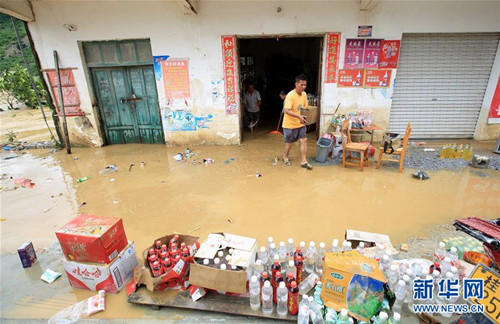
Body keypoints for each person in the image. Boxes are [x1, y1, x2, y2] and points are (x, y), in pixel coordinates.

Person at [282, 74, 312, 170]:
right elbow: (286, 110)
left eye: (305, 85)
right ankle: (285, 156)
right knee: (289, 142)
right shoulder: (290, 96)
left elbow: (304, 108)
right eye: (301, 85)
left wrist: (308, 118)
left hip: (300, 123)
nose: (303, 87)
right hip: (289, 124)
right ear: (296, 84)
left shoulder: (304, 94)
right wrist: (298, 116)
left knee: (304, 140)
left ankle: (304, 161)